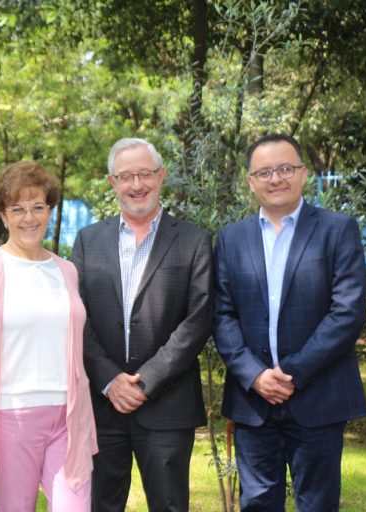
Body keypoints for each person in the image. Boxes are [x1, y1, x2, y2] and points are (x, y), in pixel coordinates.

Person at [213, 133, 366, 511]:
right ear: (251, 181)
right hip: (254, 401)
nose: (275, 178)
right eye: (264, 171)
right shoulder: (231, 239)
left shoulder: (337, 230)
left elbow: (347, 313)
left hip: (320, 396)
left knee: (317, 503)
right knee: (257, 503)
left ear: (303, 174)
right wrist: (255, 375)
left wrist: (291, 374)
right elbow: (221, 314)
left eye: (285, 168)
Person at [0, 161, 97, 512]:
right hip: (12, 417)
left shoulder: (66, 271)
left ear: (49, 210)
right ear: (3, 216)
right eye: (18, 209)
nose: (29, 218)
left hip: (68, 416)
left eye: (38, 207)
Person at [71, 138, 213, 512]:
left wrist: (145, 381)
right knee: (100, 505)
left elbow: (198, 319)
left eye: (145, 174)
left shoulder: (195, 241)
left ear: (161, 176)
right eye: (126, 176)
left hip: (168, 404)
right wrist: (109, 379)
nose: (137, 185)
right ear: (112, 182)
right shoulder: (87, 241)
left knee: (169, 505)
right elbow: (76, 317)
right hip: (102, 405)